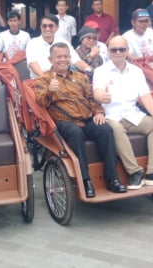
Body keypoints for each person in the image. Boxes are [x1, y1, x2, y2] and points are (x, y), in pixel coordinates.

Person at [35, 43, 127, 197]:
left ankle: (112, 179)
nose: (63, 59)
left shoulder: (80, 76)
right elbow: (40, 102)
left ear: (70, 58)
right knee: (75, 132)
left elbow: (91, 98)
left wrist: (98, 112)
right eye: (59, 57)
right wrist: (50, 91)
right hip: (64, 122)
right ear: (50, 59)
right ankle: (85, 180)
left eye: (66, 56)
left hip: (86, 118)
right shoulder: (44, 79)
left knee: (105, 129)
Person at [93, 36, 153, 189]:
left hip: (133, 114)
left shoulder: (136, 71)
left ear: (128, 51)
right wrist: (102, 96)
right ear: (108, 52)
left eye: (122, 49)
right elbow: (97, 92)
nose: (118, 52)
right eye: (114, 49)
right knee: (115, 129)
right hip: (111, 116)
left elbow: (146, 97)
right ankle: (134, 172)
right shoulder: (101, 71)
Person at [26, 14, 91, 78]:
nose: (47, 29)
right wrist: (46, 79)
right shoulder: (32, 43)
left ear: (57, 27)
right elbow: (33, 64)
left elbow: (77, 61)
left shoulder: (63, 41)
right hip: (40, 79)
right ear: (40, 27)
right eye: (44, 26)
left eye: (51, 26)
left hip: (63, 79)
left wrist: (91, 71)